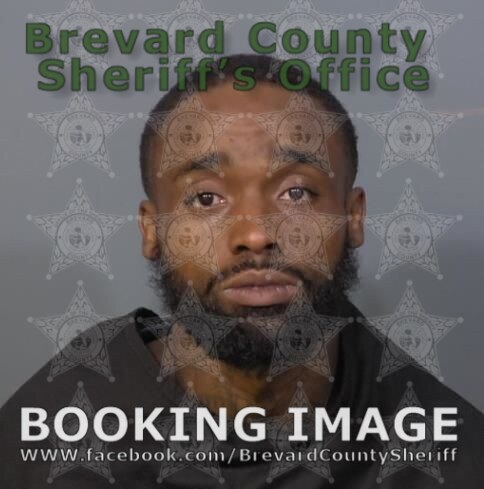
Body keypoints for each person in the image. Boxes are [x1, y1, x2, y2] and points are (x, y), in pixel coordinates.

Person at [1, 54, 482, 488]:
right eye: (205, 198)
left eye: (296, 193)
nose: (255, 234)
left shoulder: (446, 451)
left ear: (353, 216)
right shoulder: (50, 437)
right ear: (152, 230)